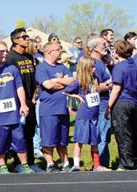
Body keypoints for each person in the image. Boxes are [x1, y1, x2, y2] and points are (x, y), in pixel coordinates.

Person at [0, 41, 33, 174]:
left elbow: (19, 87)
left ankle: (24, 165)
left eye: (6, 51)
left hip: (14, 114)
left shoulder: (12, 69)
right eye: (1, 51)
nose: (5, 54)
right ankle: (2, 165)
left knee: (20, 139)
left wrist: (23, 104)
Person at [62, 56, 110, 172]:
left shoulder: (95, 79)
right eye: (92, 67)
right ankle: (76, 165)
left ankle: (97, 165)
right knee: (80, 141)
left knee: (95, 141)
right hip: (84, 116)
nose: (94, 69)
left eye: (94, 66)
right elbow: (65, 91)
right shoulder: (79, 81)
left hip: (94, 115)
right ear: (85, 67)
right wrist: (76, 96)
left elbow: (96, 91)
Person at [35, 41, 75, 172]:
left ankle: (65, 163)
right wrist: (62, 83)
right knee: (49, 139)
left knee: (63, 139)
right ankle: (50, 164)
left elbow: (73, 82)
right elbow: (48, 85)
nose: (61, 52)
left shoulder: (62, 67)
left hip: (62, 109)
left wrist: (57, 80)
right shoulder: (42, 68)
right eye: (58, 50)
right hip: (48, 110)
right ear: (48, 52)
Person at [7, 28, 42, 172]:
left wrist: (33, 97)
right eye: (24, 37)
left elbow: (34, 80)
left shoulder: (29, 56)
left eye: (28, 37)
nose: (28, 39)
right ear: (15, 40)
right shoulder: (10, 58)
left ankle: (31, 163)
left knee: (29, 133)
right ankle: (19, 163)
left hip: (30, 101)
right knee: (18, 134)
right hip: (17, 102)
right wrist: (20, 101)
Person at [106, 40, 137, 170]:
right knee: (133, 132)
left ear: (117, 52)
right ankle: (133, 160)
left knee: (123, 133)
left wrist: (108, 106)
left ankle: (126, 163)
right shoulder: (134, 65)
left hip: (123, 102)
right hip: (134, 102)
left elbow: (117, 88)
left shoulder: (120, 67)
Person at [87, 35, 113, 168]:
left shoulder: (102, 62)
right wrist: (109, 85)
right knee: (102, 136)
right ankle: (100, 165)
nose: (106, 46)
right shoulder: (92, 63)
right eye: (103, 44)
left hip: (104, 103)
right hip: (100, 105)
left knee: (104, 136)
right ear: (95, 47)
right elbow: (93, 87)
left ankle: (102, 164)